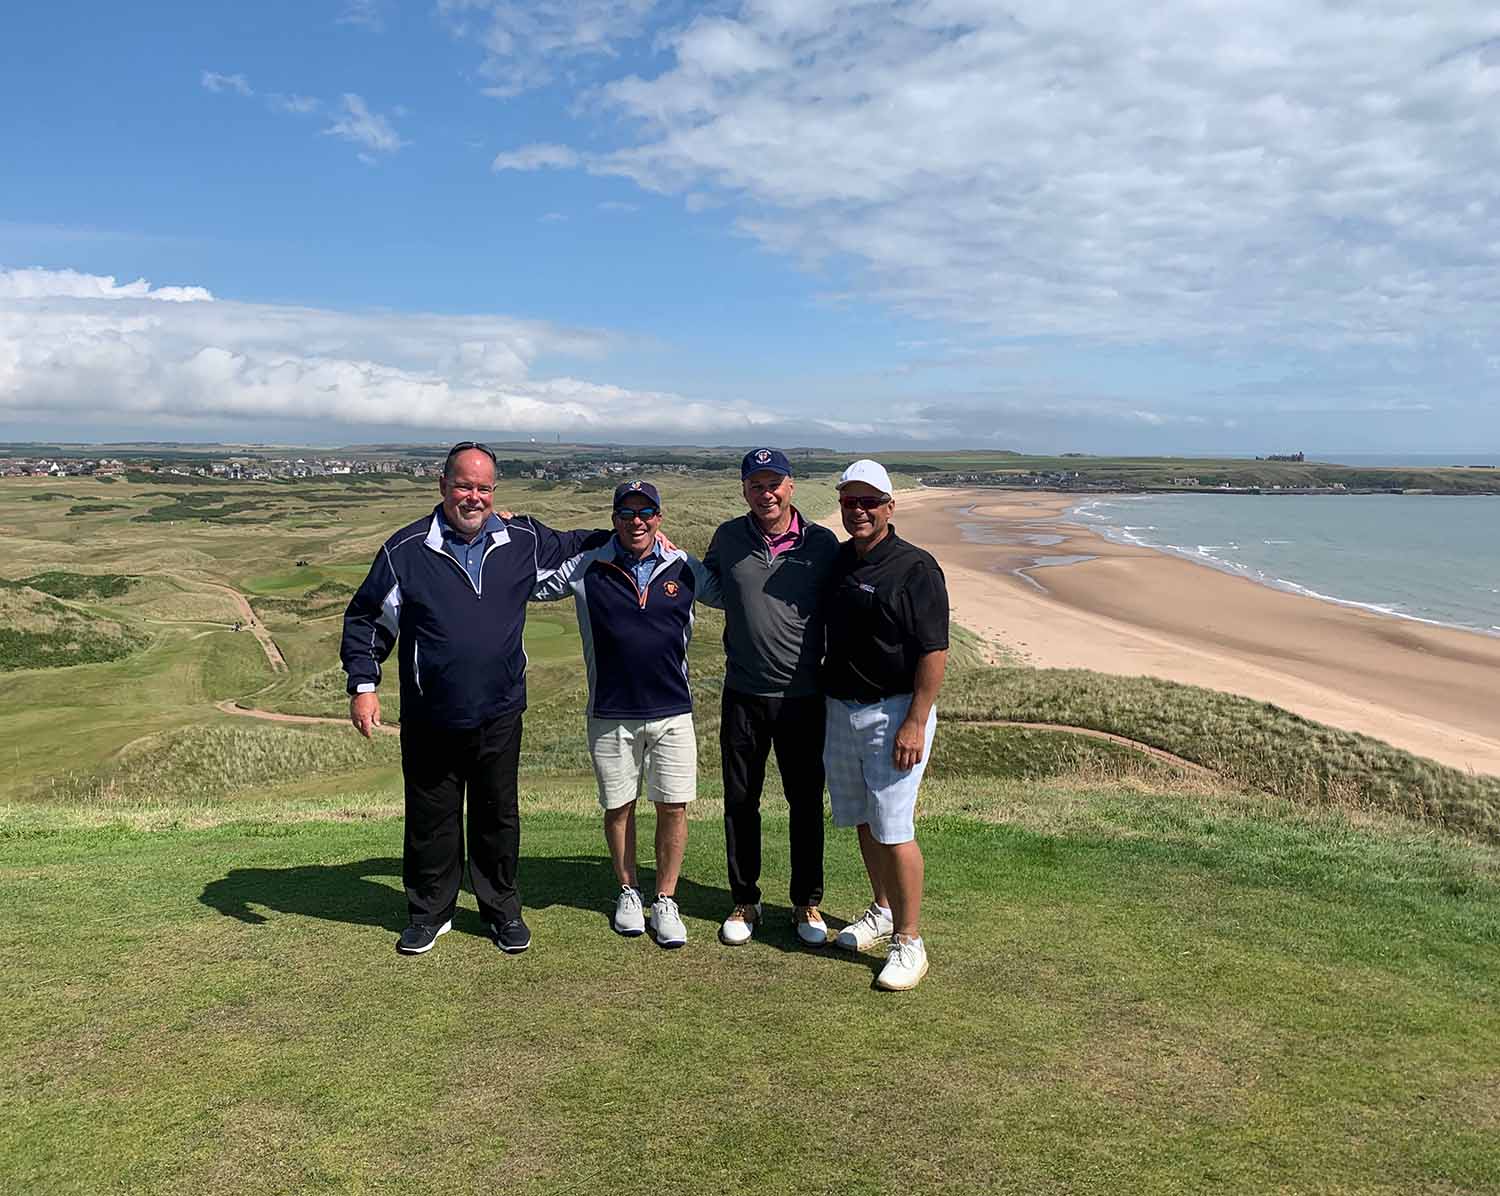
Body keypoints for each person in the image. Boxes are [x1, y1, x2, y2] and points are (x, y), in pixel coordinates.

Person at [340, 441, 607, 956]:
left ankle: (502, 911)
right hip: (431, 712)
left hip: (501, 709)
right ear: (442, 486)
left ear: (495, 491)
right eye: (464, 485)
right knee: (430, 818)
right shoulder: (406, 549)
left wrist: (632, 530)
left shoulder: (522, 538)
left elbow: (577, 544)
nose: (474, 497)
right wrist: (364, 686)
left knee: (497, 815)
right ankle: (429, 913)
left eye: (484, 488)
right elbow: (369, 618)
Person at [530, 481, 704, 948]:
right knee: (618, 806)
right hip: (610, 710)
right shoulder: (589, 565)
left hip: (673, 710)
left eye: (646, 512)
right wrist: (498, 533)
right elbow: (531, 585)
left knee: (673, 806)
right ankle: (628, 891)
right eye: (626, 514)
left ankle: (665, 899)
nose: (637, 521)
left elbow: (734, 595)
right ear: (613, 519)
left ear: (659, 517)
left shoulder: (684, 566)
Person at [693, 448, 840, 947]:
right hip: (743, 693)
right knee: (740, 800)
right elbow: (705, 582)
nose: (766, 492)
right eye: (756, 484)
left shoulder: (822, 544)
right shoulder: (728, 538)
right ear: (745, 490)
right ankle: (745, 897)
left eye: (774, 482)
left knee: (804, 801)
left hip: (804, 697)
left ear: (791, 486)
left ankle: (807, 902)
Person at [821, 459, 949, 991]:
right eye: (850, 501)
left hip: (896, 711)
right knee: (864, 819)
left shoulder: (916, 568)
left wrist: (915, 721)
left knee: (894, 828)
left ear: (889, 507)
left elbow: (934, 650)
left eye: (869, 502)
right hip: (841, 708)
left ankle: (909, 942)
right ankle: (881, 911)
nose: (859, 511)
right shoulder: (839, 561)